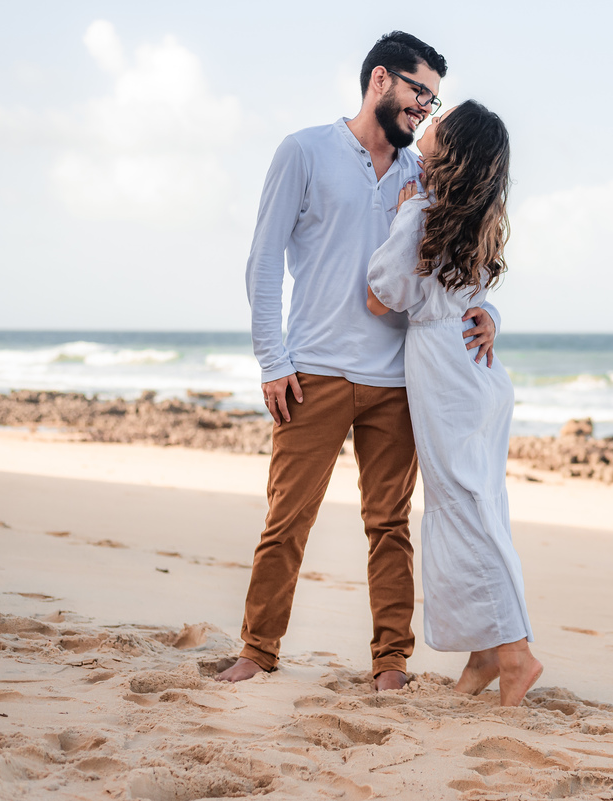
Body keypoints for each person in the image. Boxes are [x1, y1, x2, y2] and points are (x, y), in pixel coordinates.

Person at [217, 32, 502, 690]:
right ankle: (257, 649)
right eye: (418, 92)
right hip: (310, 370)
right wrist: (271, 360)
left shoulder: (421, 173)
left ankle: (390, 663)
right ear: (380, 79)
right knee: (287, 519)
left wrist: (490, 313)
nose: (424, 110)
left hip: (396, 380)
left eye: (432, 100)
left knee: (390, 526)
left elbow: (462, 266)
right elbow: (263, 263)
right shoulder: (304, 152)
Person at [366, 100, 542, 706]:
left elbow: (383, 294)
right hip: (477, 374)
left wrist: (405, 209)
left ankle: (515, 652)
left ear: (452, 149)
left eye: (439, 122)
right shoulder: (473, 215)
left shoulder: (424, 211)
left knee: (463, 508)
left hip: (447, 372)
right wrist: (488, 313)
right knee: (478, 503)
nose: (428, 123)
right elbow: (479, 293)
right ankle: (484, 657)